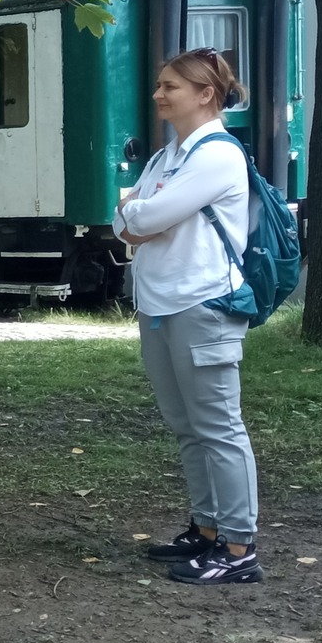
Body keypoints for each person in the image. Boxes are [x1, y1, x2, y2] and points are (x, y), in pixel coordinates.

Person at [116, 48, 262, 585]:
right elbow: (124, 221)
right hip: (158, 305)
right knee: (186, 426)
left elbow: (143, 215)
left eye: (170, 86)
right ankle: (205, 529)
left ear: (205, 94)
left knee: (218, 428)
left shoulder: (218, 154)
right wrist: (138, 216)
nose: (159, 94)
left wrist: (139, 214)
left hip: (203, 305)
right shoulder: (166, 156)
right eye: (160, 84)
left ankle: (239, 548)